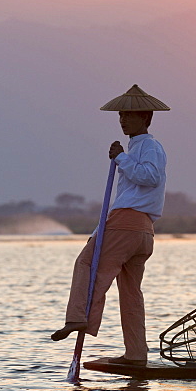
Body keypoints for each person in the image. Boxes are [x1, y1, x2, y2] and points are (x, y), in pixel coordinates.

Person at [51, 84, 170, 365]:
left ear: (145, 118)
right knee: (130, 293)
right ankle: (136, 354)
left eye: (129, 115)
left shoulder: (149, 146)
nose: (123, 120)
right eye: (120, 116)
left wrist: (120, 158)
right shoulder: (138, 147)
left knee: (87, 265)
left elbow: (150, 177)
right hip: (139, 230)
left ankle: (78, 319)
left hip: (129, 224)